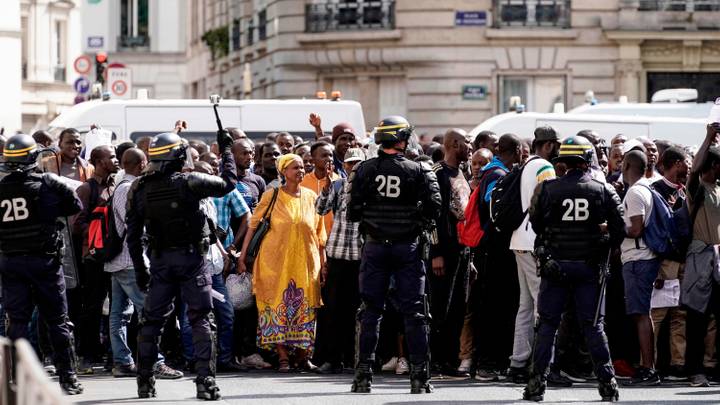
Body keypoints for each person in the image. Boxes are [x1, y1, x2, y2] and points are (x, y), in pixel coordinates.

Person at [126, 129, 237, 400]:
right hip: (191, 260)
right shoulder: (190, 181)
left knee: (151, 322)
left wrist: (141, 272)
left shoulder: (139, 188)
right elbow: (228, 183)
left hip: (161, 261)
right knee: (201, 319)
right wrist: (227, 152)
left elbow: (131, 236)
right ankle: (205, 383)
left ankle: (145, 383)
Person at [523, 135, 624, 402]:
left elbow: (536, 223)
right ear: (588, 160)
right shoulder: (603, 190)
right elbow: (620, 229)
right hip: (589, 268)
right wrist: (601, 239)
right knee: (594, 327)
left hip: (555, 266)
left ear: (564, 161)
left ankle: (536, 385)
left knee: (547, 325)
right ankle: (607, 384)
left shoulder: (546, 189)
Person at [347, 115, 442, 394]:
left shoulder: (364, 170)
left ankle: (363, 375)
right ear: (402, 139)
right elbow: (435, 208)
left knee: (370, 311)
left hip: (375, 246)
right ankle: (419, 378)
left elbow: (352, 211)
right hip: (408, 247)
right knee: (415, 312)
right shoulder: (419, 170)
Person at [0, 134, 84, 394]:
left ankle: (15, 379)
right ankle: (68, 377)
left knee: (16, 322)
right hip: (44, 262)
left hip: (11, 262)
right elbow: (74, 206)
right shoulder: (47, 184)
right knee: (57, 320)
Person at [237, 154, 326, 373]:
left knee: (306, 308)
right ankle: (283, 357)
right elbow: (252, 226)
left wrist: (323, 264)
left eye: (303, 167)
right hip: (274, 263)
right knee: (276, 306)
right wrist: (242, 256)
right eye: (295, 167)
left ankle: (303, 357)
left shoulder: (311, 196)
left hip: (306, 263)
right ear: (284, 171)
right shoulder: (272, 195)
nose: (300, 171)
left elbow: (319, 233)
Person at [105, 148, 183, 379]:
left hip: (119, 261)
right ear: (141, 164)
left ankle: (122, 362)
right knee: (149, 313)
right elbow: (134, 227)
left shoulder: (123, 186)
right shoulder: (129, 188)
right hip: (130, 261)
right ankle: (155, 362)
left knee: (119, 314)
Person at [507, 126, 559, 383]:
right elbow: (546, 206)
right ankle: (543, 365)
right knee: (543, 304)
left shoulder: (528, 164)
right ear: (548, 145)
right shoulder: (545, 168)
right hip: (533, 241)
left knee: (525, 305)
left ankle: (518, 362)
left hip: (519, 238)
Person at [473, 134, 522, 382]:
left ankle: (497, 361)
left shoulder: (497, 173)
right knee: (495, 307)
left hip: (497, 250)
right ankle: (487, 364)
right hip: (494, 250)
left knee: (501, 306)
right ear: (514, 151)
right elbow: (495, 210)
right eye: (521, 150)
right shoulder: (497, 175)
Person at [314, 147, 366, 374]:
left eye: (357, 163)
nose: (353, 167)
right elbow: (320, 209)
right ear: (344, 166)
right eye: (349, 163)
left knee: (360, 310)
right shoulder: (337, 186)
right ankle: (332, 359)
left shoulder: (369, 188)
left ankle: (356, 360)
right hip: (337, 255)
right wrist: (325, 189)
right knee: (334, 310)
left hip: (362, 257)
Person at [72, 145, 119, 372]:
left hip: (115, 257)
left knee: (117, 308)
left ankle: (113, 356)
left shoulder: (117, 186)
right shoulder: (86, 189)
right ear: (99, 162)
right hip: (93, 258)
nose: (116, 159)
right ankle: (87, 355)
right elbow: (77, 225)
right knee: (92, 306)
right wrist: (99, 227)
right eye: (111, 157)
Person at [429, 128, 472, 376]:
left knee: (458, 307)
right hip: (443, 253)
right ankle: (434, 360)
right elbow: (433, 216)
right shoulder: (438, 174)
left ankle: (449, 360)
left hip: (462, 251)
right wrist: (436, 252)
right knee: (440, 307)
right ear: (454, 144)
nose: (470, 147)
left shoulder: (462, 173)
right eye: (466, 142)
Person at [682, 124, 720, 387]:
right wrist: (708, 138)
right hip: (699, 262)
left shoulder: (718, 189)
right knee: (697, 319)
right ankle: (694, 371)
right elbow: (694, 170)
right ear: (713, 166)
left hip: (718, 263)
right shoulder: (698, 189)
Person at [620, 150, 662, 386]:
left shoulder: (636, 191)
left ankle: (648, 368)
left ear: (626, 165)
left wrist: (612, 227)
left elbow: (635, 229)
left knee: (641, 314)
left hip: (638, 258)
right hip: (642, 257)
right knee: (642, 313)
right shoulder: (646, 188)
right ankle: (648, 366)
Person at [650, 146, 689, 381]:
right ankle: (649, 363)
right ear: (676, 164)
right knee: (657, 314)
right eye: (686, 162)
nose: (690, 166)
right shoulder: (656, 190)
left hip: (683, 260)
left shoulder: (685, 192)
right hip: (665, 263)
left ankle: (678, 364)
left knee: (680, 315)